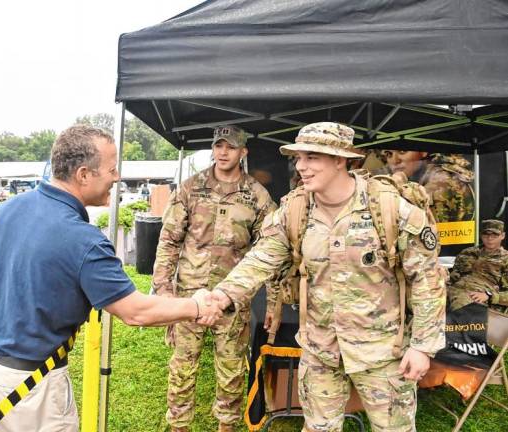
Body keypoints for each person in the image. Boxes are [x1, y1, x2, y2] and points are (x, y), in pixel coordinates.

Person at [0, 125, 223, 432]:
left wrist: (19, 305)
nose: (116, 178)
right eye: (112, 169)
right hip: (29, 388)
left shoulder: (7, 209)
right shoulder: (83, 240)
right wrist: (196, 306)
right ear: (84, 174)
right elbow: (135, 311)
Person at [210, 122, 446, 432]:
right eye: (299, 157)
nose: (301, 166)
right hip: (320, 351)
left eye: (312, 157)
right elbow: (261, 257)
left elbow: (427, 279)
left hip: (383, 354)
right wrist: (222, 294)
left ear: (340, 160)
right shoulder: (295, 210)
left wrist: (422, 347)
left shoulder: (388, 208)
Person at [152, 125, 276, 432]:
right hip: (189, 296)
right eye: (219, 145)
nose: (223, 152)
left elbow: (273, 249)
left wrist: (274, 300)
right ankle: (179, 426)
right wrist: (163, 290)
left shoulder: (256, 195)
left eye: (230, 147)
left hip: (233, 300)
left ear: (243, 152)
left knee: (232, 369)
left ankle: (226, 427)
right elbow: (168, 240)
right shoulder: (190, 187)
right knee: (182, 367)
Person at [380, 150, 474, 223]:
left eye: (402, 152)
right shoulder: (420, 178)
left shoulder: (440, 183)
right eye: (389, 154)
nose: (395, 160)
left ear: (423, 152)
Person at [448, 219, 508, 312]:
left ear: (502, 236)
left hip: (477, 297)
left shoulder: (506, 259)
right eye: (486, 234)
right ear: (481, 235)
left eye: (494, 235)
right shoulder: (467, 252)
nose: (490, 238)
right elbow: (454, 275)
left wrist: (489, 295)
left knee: (462, 306)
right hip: (453, 290)